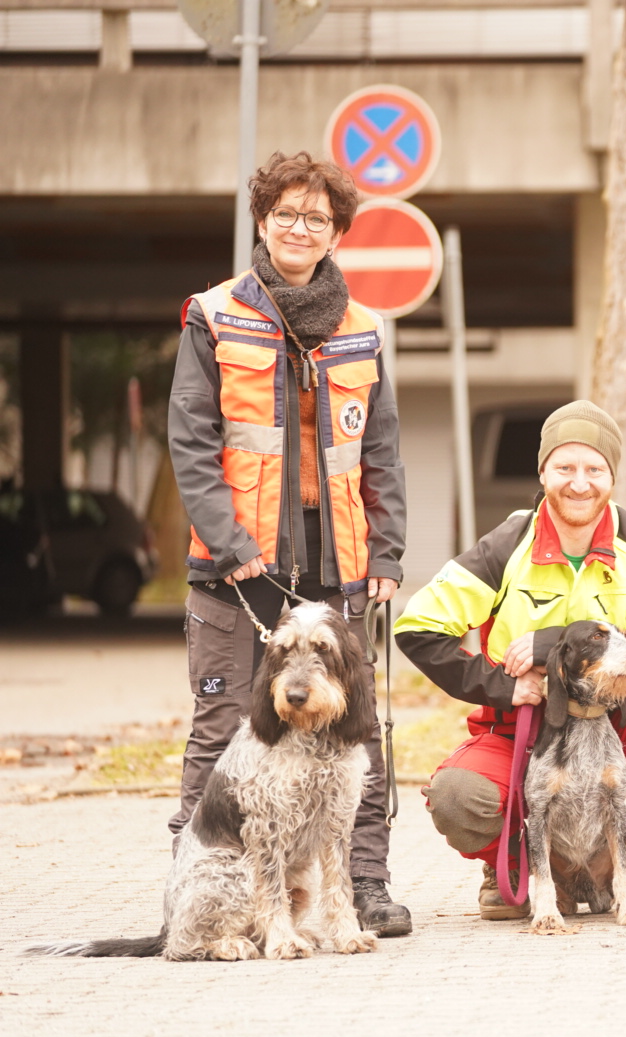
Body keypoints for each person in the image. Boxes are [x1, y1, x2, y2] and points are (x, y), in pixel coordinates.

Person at [393, 401, 626, 920]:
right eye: (565, 468)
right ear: (543, 471)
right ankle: (512, 864)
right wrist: (503, 687)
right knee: (456, 795)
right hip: (521, 737)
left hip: (614, 731)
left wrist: (551, 646)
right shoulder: (505, 545)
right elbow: (416, 627)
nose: (579, 483)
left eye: (595, 470)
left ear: (613, 476)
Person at [167, 151, 411, 935]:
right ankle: (194, 890)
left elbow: (382, 452)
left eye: (316, 217)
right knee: (222, 726)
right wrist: (229, 540)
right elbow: (191, 442)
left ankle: (362, 886)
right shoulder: (215, 314)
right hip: (236, 564)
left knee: (353, 727)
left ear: (337, 232)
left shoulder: (364, 329)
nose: (299, 228)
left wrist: (387, 553)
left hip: (337, 556)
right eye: (285, 214)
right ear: (262, 222)